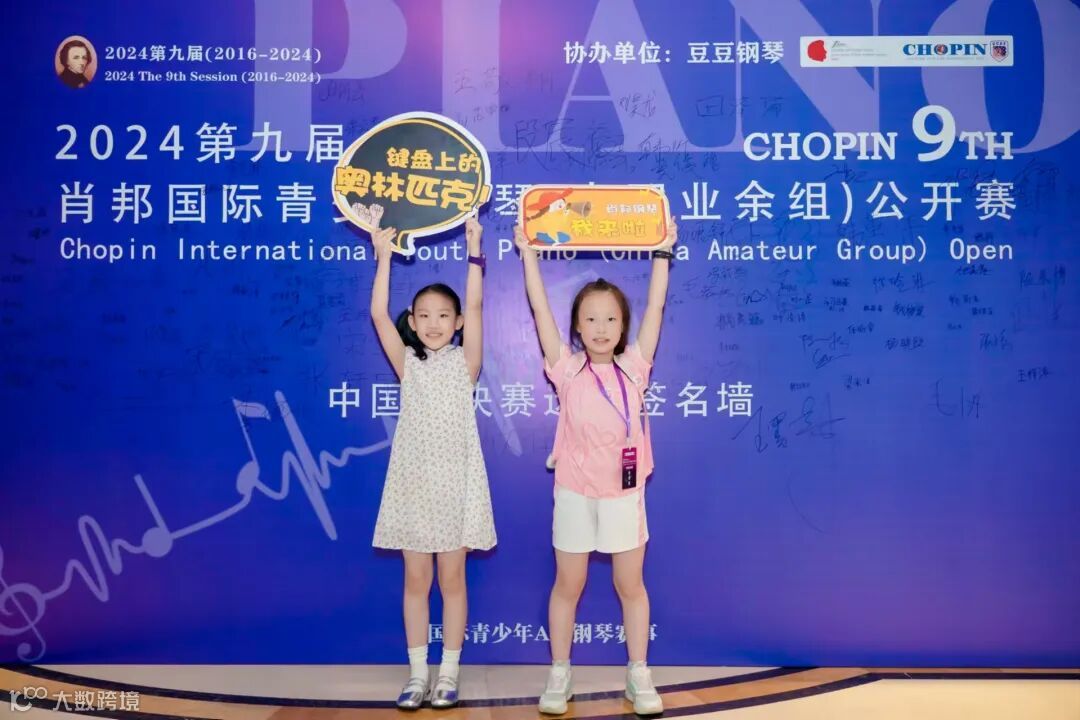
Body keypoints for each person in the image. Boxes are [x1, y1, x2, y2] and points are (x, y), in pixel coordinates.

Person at [514, 219, 677, 715]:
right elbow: (539, 308)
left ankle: (638, 674)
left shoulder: (635, 367)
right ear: (577, 327)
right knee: (569, 585)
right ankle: (560, 672)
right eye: (590, 319)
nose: (601, 328)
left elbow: (657, 306)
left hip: (625, 496)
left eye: (610, 319)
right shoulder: (566, 370)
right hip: (574, 493)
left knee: (631, 586)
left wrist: (662, 253)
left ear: (623, 326)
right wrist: (528, 254)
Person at [368, 208, 496, 709]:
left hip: (457, 488)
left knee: (452, 581)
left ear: (457, 323)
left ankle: (449, 673)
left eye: (444, 315)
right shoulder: (408, 363)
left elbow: (478, 304)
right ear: (414, 321)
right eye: (424, 315)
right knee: (416, 582)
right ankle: (418, 674)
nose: (434, 323)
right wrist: (383, 257)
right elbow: (379, 316)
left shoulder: (467, 363)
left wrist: (474, 251)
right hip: (414, 488)